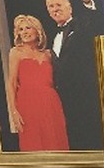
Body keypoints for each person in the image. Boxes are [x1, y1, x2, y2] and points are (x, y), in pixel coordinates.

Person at [46, 0, 104, 150]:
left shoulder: (83, 25)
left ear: (70, 7)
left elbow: (96, 22)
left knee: (92, 139)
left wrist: (87, 0)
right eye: (51, 6)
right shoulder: (51, 36)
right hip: (63, 100)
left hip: (86, 96)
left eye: (58, 5)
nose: (55, 9)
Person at [5, 14, 69, 151]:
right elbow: (11, 83)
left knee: (56, 143)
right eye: (21, 29)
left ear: (37, 30)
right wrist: (14, 112)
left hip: (51, 103)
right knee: (33, 145)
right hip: (27, 104)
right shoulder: (16, 52)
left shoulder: (48, 54)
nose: (24, 32)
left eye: (28, 28)